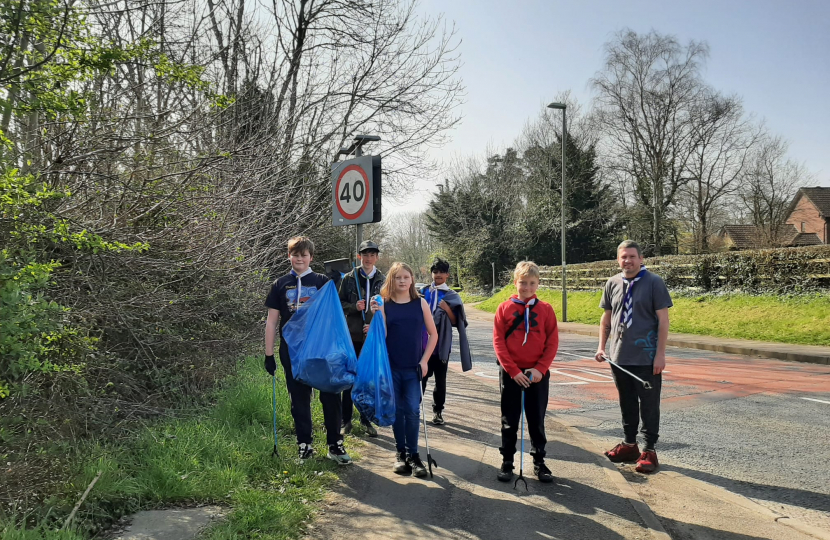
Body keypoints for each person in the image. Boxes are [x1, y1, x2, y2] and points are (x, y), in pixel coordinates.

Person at [264, 236, 351, 465]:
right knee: (299, 399)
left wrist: (336, 283)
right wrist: (269, 354)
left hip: (320, 350)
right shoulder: (280, 284)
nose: (299, 258)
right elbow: (272, 321)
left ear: (311, 257)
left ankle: (335, 444)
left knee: (330, 396)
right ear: (289, 256)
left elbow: (335, 315)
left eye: (304, 255)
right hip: (291, 352)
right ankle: (305, 445)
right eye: (295, 254)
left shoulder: (322, 281)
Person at [594, 240, 672, 474]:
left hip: (646, 357)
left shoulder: (654, 283)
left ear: (641, 259)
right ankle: (630, 445)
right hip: (619, 357)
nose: (627, 261)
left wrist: (660, 355)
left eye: (632, 256)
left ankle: (649, 450)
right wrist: (601, 346)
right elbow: (606, 319)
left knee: (649, 404)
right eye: (623, 257)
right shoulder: (612, 283)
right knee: (626, 402)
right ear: (618, 260)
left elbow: (663, 321)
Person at [492, 261, 559, 484]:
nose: (527, 287)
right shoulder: (504, 308)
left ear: (538, 284)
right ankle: (507, 461)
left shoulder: (546, 310)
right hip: (512, 374)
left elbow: (552, 342)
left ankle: (539, 462)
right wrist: (512, 370)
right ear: (515, 283)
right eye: (523, 283)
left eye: (532, 283)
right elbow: (498, 341)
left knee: (536, 419)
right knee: (509, 420)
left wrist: (540, 369)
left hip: (537, 374)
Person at [370, 262, 438, 478]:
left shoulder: (421, 304)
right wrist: (377, 314)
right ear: (392, 280)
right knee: (398, 411)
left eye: (406, 277)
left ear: (411, 280)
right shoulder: (386, 305)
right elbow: (382, 336)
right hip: (392, 367)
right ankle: (400, 453)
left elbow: (433, 334)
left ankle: (414, 455)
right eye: (397, 277)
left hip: (414, 367)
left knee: (412, 409)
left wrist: (425, 360)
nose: (402, 281)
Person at [338, 240, 385, 437]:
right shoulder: (349, 278)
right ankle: (346, 420)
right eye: (365, 254)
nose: (368, 258)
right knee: (349, 380)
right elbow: (339, 303)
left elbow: (388, 307)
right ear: (359, 256)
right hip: (353, 337)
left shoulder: (383, 280)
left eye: (372, 255)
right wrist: (353, 307)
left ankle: (366, 421)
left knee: (368, 381)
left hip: (372, 339)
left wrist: (374, 324)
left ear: (376, 257)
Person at [419, 258, 472, 425]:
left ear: (447, 275)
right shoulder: (423, 292)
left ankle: (438, 412)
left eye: (442, 272)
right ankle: (415, 408)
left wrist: (448, 310)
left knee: (440, 382)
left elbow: (459, 323)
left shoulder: (452, 296)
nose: (438, 275)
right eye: (435, 272)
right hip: (422, 344)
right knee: (420, 378)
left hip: (441, 346)